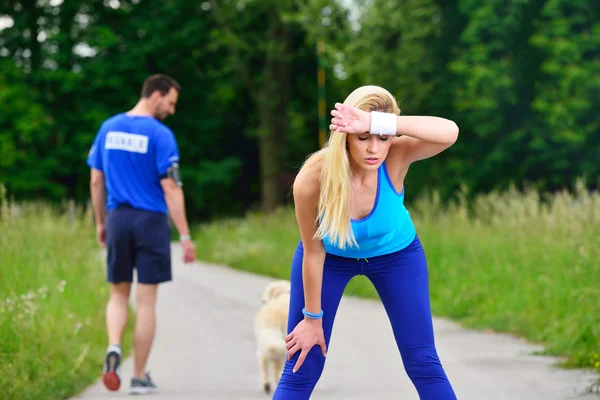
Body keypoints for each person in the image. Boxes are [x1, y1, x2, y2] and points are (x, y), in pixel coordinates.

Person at [272, 85, 460, 399]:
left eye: (382, 138)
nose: (374, 149)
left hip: (397, 256)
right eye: (363, 138)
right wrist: (311, 319)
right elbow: (313, 251)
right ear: (345, 135)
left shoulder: (396, 155)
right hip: (329, 259)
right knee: (303, 363)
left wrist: (378, 124)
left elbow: (449, 132)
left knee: (423, 362)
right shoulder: (313, 178)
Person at [87, 73, 196, 395]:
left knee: (118, 295)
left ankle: (113, 346)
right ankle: (137, 377)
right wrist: (186, 235)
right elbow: (170, 186)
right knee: (146, 303)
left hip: (118, 218)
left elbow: (96, 180)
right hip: (150, 222)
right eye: (171, 103)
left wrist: (101, 222)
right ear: (157, 95)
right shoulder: (161, 135)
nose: (172, 111)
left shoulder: (108, 128)